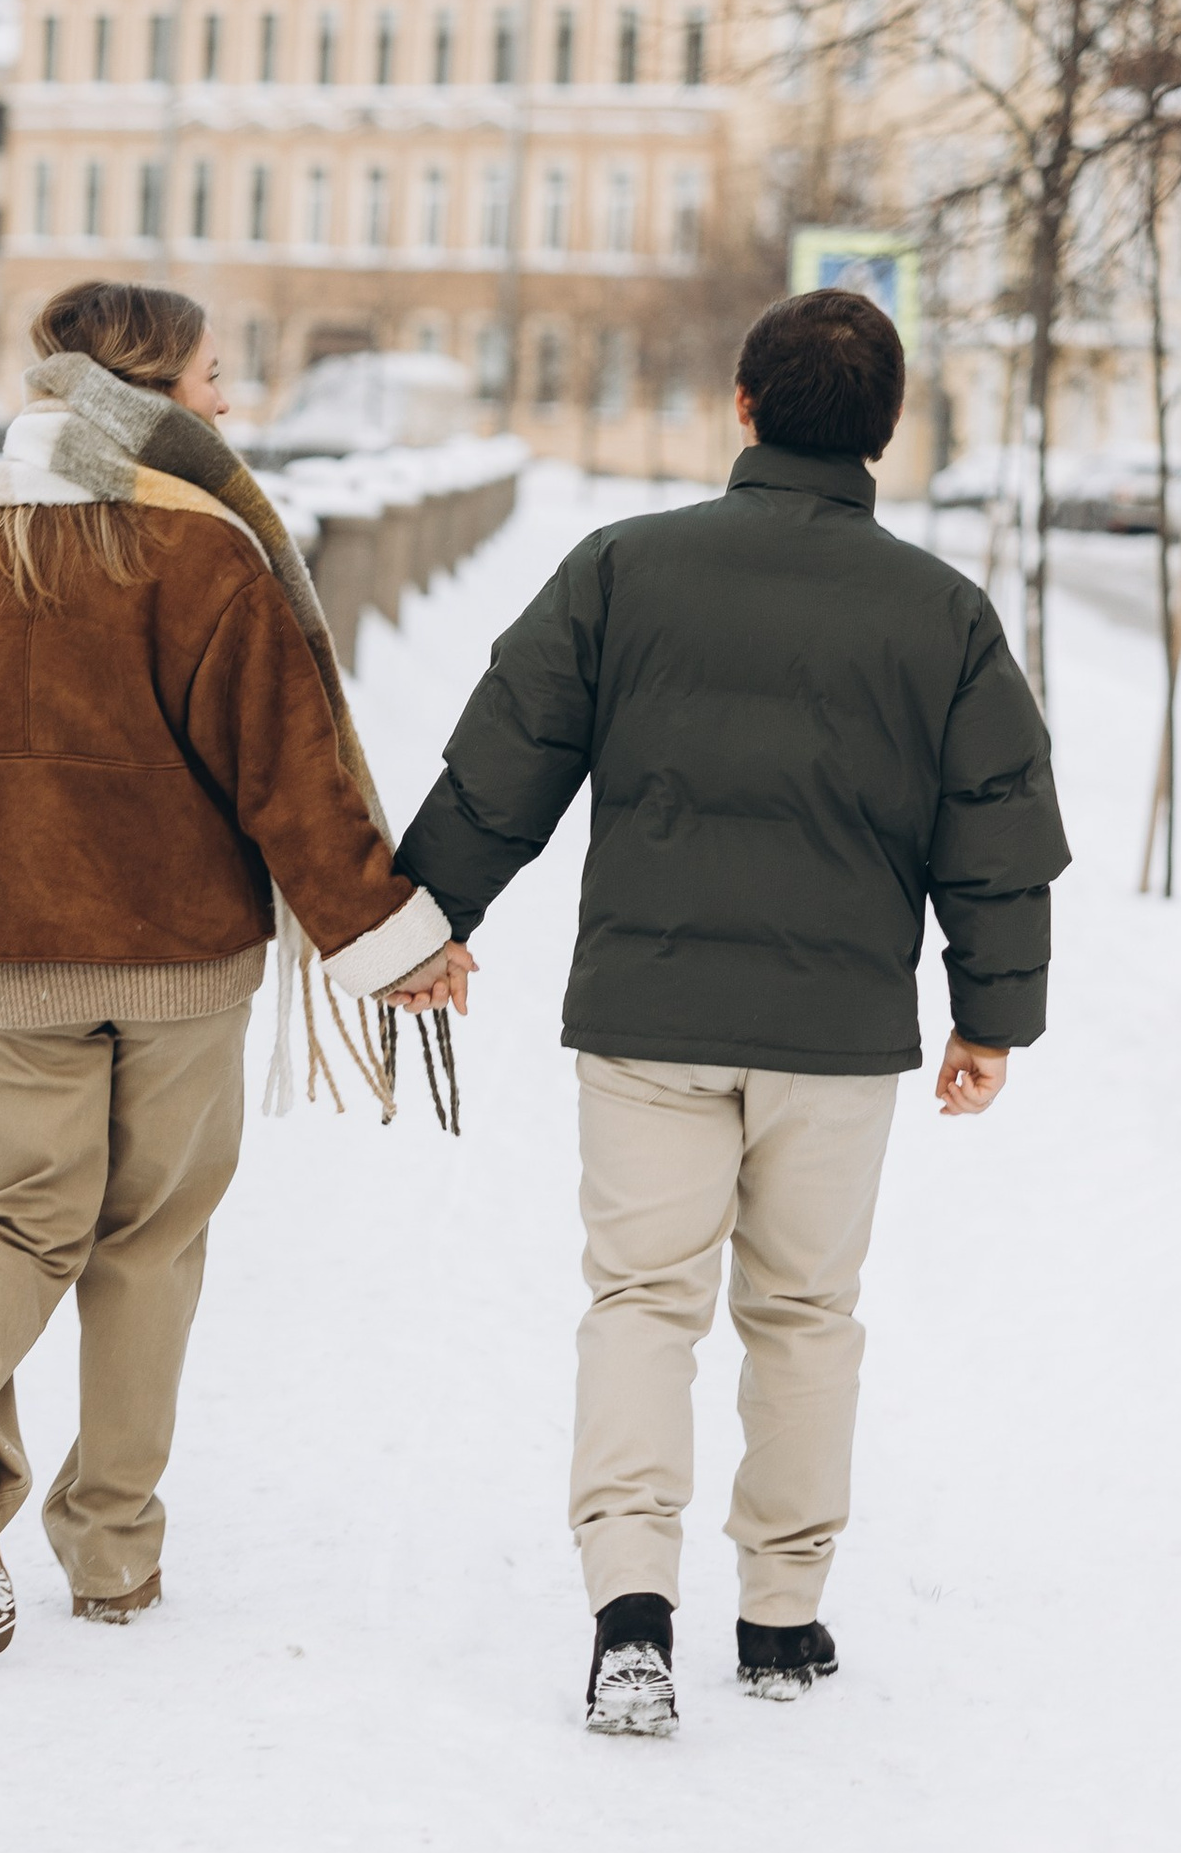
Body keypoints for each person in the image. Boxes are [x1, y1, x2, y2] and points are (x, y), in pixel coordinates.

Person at [395, 287, 1068, 1738]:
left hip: (650, 1017)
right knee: (805, 1315)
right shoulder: (941, 615)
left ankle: (631, 1614)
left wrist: (430, 918)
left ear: (744, 411)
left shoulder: (626, 568)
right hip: (837, 1039)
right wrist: (990, 1015)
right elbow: (997, 825)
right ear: (884, 431)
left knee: (643, 1302)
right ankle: (781, 1617)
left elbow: (506, 758)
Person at [0, 279, 465, 1658]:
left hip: (19, 949)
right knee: (146, 1246)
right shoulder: (206, 556)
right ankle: (114, 1556)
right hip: (179, 958)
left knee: (19, 1216)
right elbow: (290, 781)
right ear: (147, 390)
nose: (228, 399)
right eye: (211, 376)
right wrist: (389, 940)